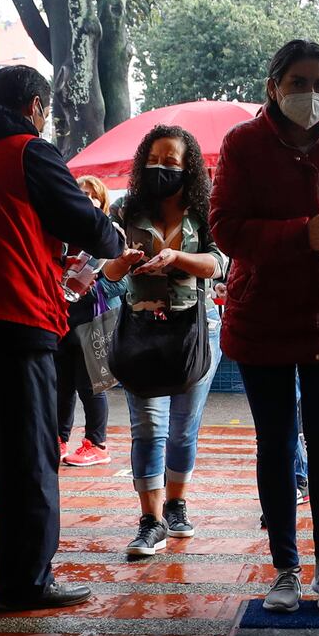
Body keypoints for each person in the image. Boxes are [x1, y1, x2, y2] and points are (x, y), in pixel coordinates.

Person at [0, 66, 124, 610]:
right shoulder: (27, 151)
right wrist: (114, 235)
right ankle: (25, 582)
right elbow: (87, 223)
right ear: (35, 106)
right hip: (14, 321)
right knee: (26, 460)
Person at [209, 39, 319, 613]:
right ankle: (286, 566)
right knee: (276, 441)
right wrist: (297, 233)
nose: (312, 95)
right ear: (274, 87)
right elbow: (226, 228)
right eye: (300, 83)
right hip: (261, 312)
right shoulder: (242, 145)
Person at [96, 125, 226, 556]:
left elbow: (220, 263)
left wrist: (177, 258)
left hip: (197, 328)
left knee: (183, 430)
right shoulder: (125, 210)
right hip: (140, 329)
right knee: (148, 426)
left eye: (171, 162)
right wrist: (124, 262)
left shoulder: (205, 212)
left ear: (188, 167)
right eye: (153, 160)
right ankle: (150, 521)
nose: (161, 168)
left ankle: (176, 505)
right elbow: (105, 271)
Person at [58, 175, 117, 467]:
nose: (85, 197)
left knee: (91, 384)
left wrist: (95, 284)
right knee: (61, 383)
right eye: (79, 192)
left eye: (91, 194)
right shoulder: (63, 233)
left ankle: (97, 442)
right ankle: (58, 437)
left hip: (93, 317)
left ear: (101, 202)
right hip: (62, 317)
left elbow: (123, 281)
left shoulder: (109, 233)